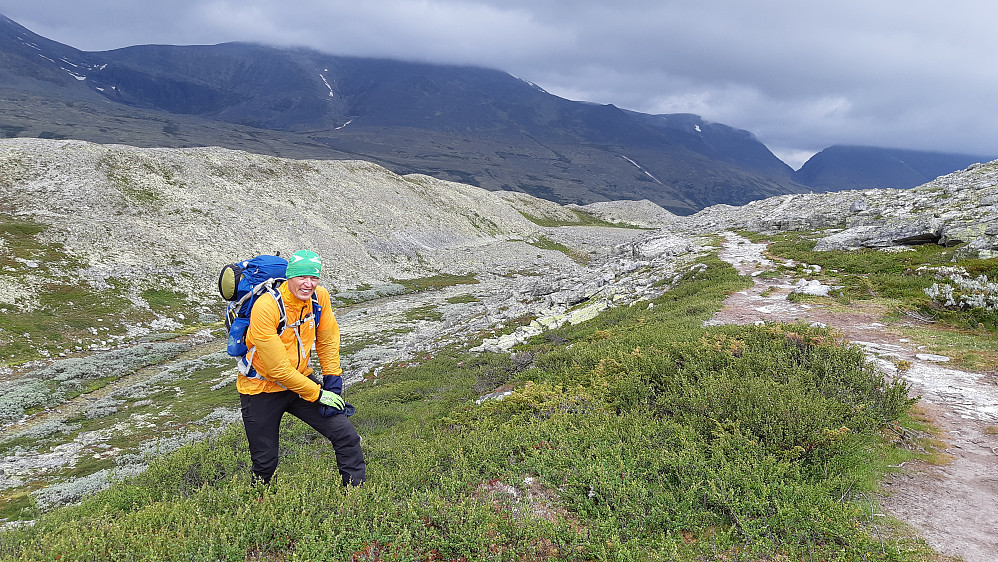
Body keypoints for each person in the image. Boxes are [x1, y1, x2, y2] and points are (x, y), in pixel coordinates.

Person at [237, 249, 365, 486]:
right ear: (289, 276)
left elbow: (327, 339)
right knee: (265, 463)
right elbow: (278, 370)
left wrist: (333, 382)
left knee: (346, 435)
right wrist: (318, 394)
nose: (308, 284)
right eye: (301, 277)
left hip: (300, 382)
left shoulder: (320, 297)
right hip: (261, 389)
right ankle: (258, 506)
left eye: (314, 278)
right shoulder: (267, 306)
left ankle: (356, 498)